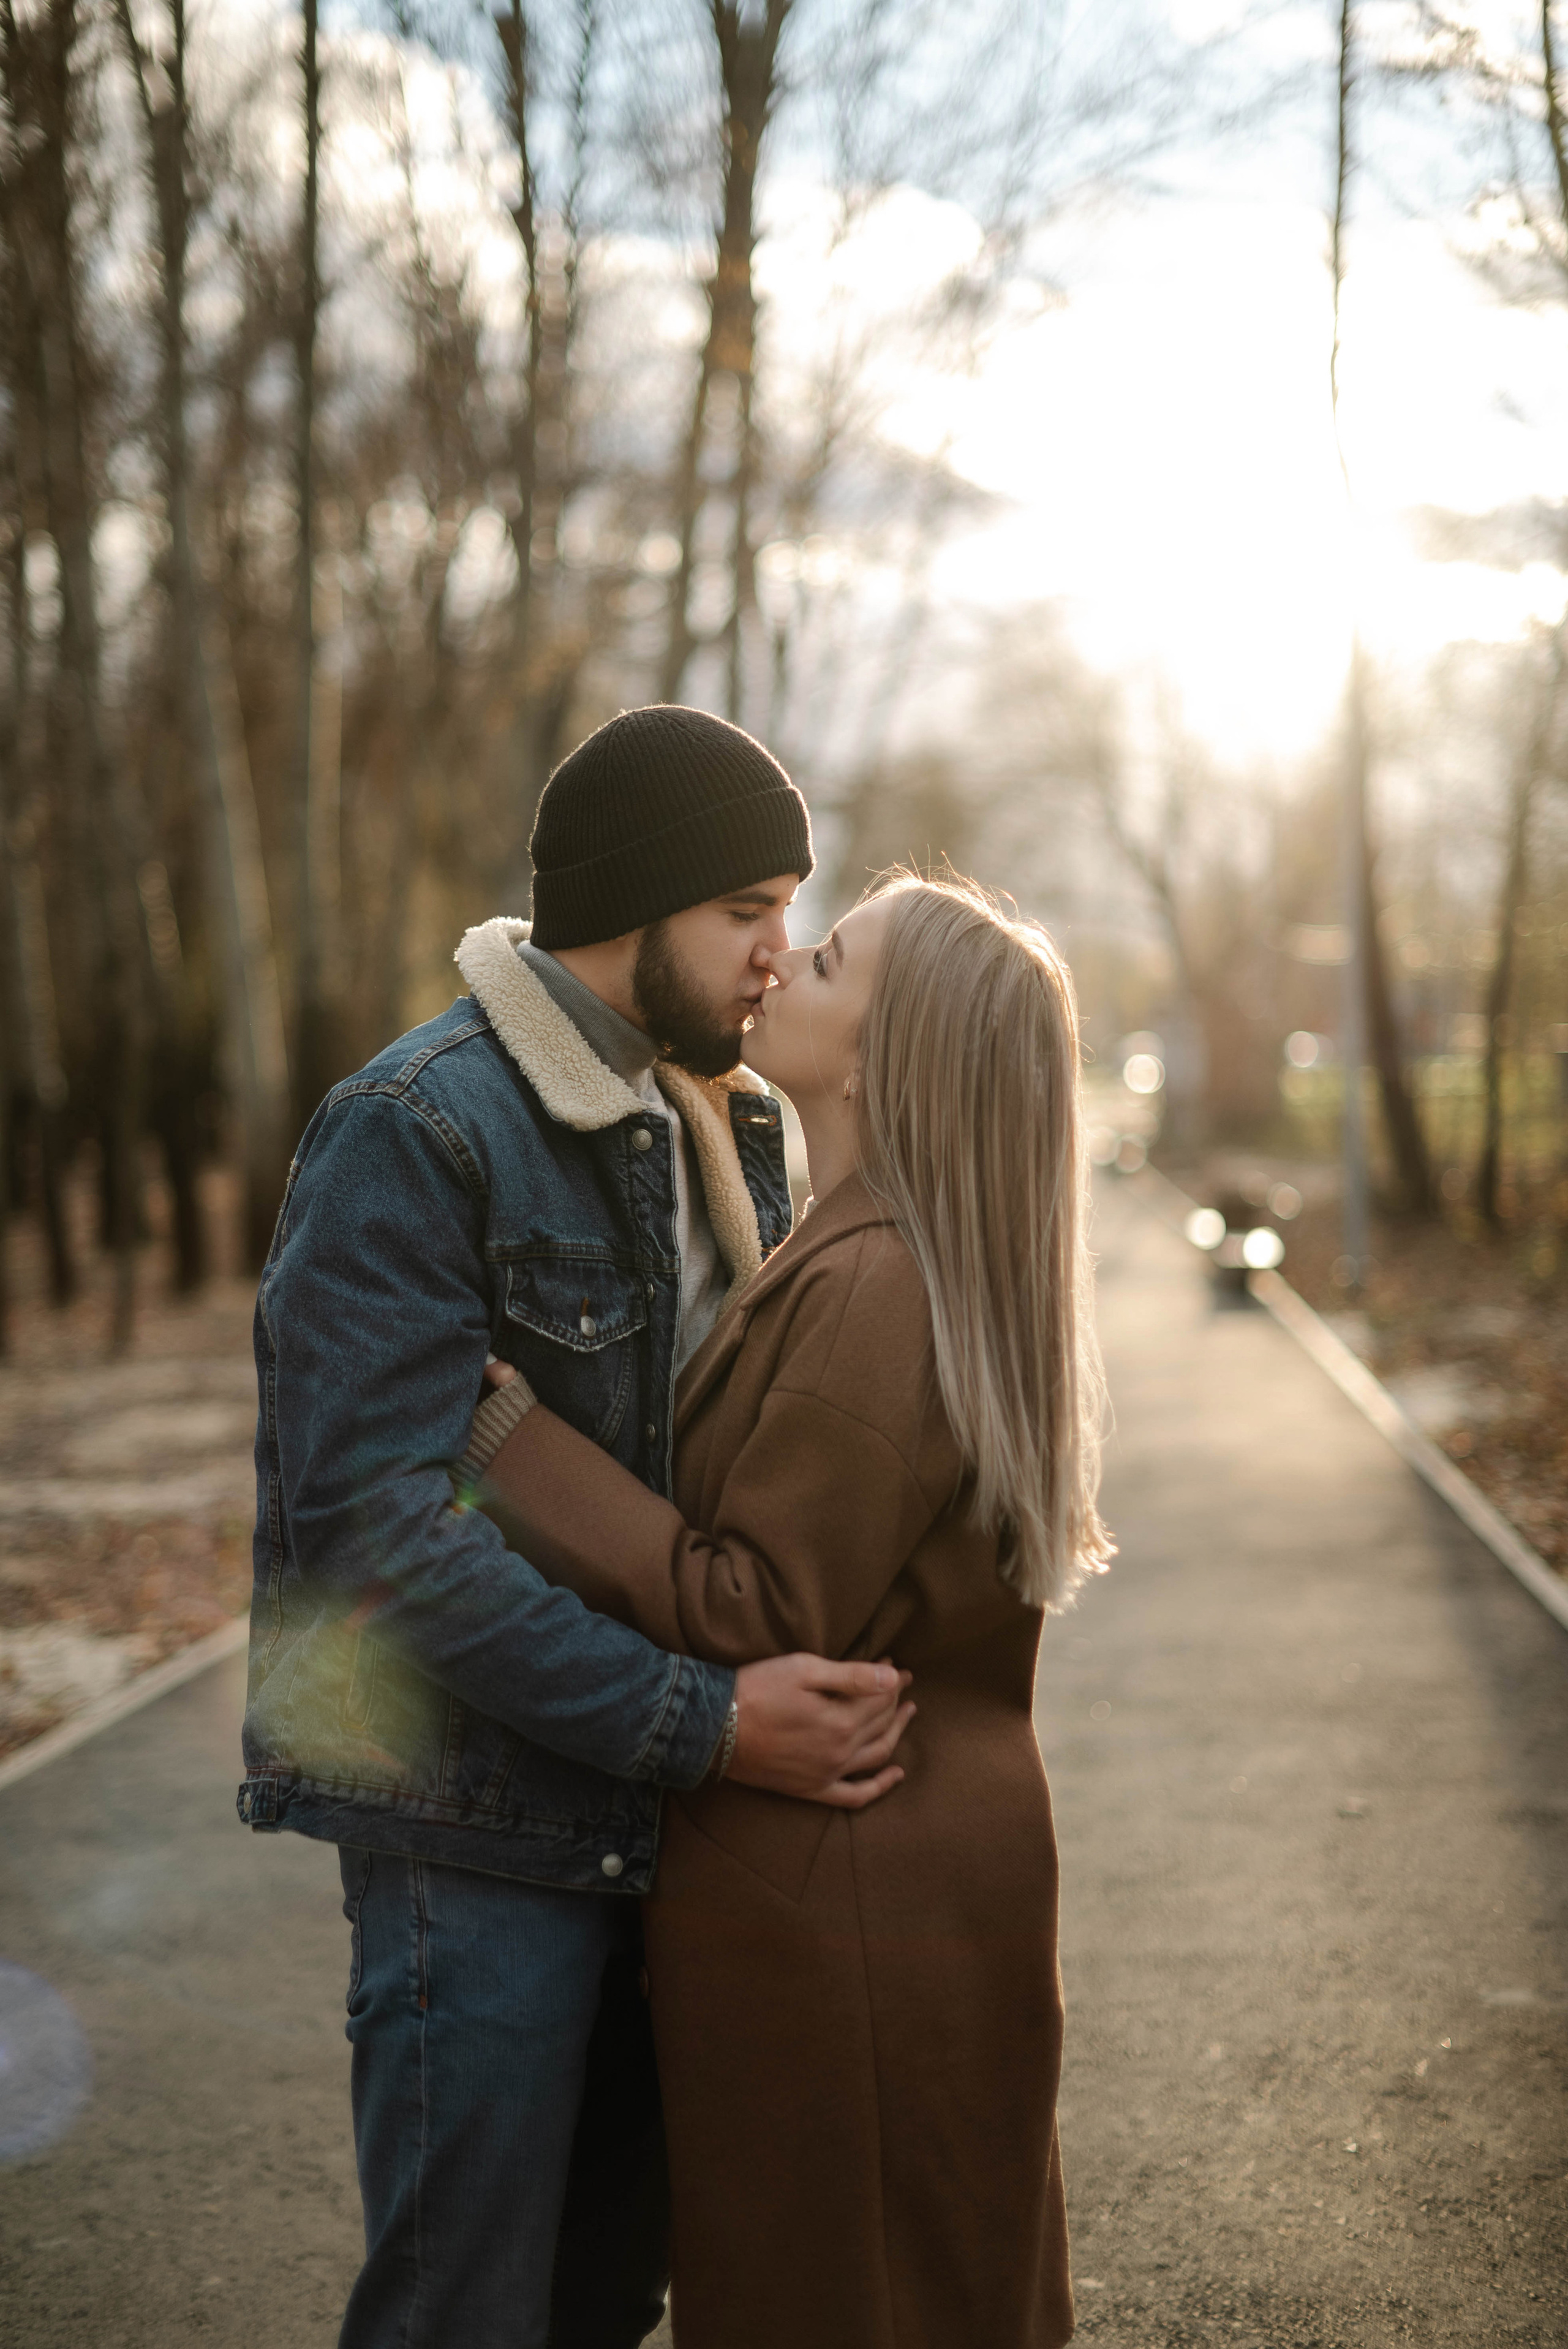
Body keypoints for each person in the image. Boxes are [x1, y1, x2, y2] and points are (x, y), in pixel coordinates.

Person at [236, 705, 916, 2349]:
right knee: (462, 2311)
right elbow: (376, 1537)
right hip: (474, 1836)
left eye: (790, 911)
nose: (777, 952)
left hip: (673, 1837)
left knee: (604, 2300)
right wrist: (704, 1722)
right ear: (632, 905)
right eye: (746, 908)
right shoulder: (418, 1126)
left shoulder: (732, 1119)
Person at [467, 871, 1114, 2349]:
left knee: (844, 2299)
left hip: (849, 1902)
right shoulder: (877, 1245)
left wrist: (515, 1449)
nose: (776, 964)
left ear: (880, 1060)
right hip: (903, 1875)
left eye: (823, 962)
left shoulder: (877, 1280)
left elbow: (752, 1604)